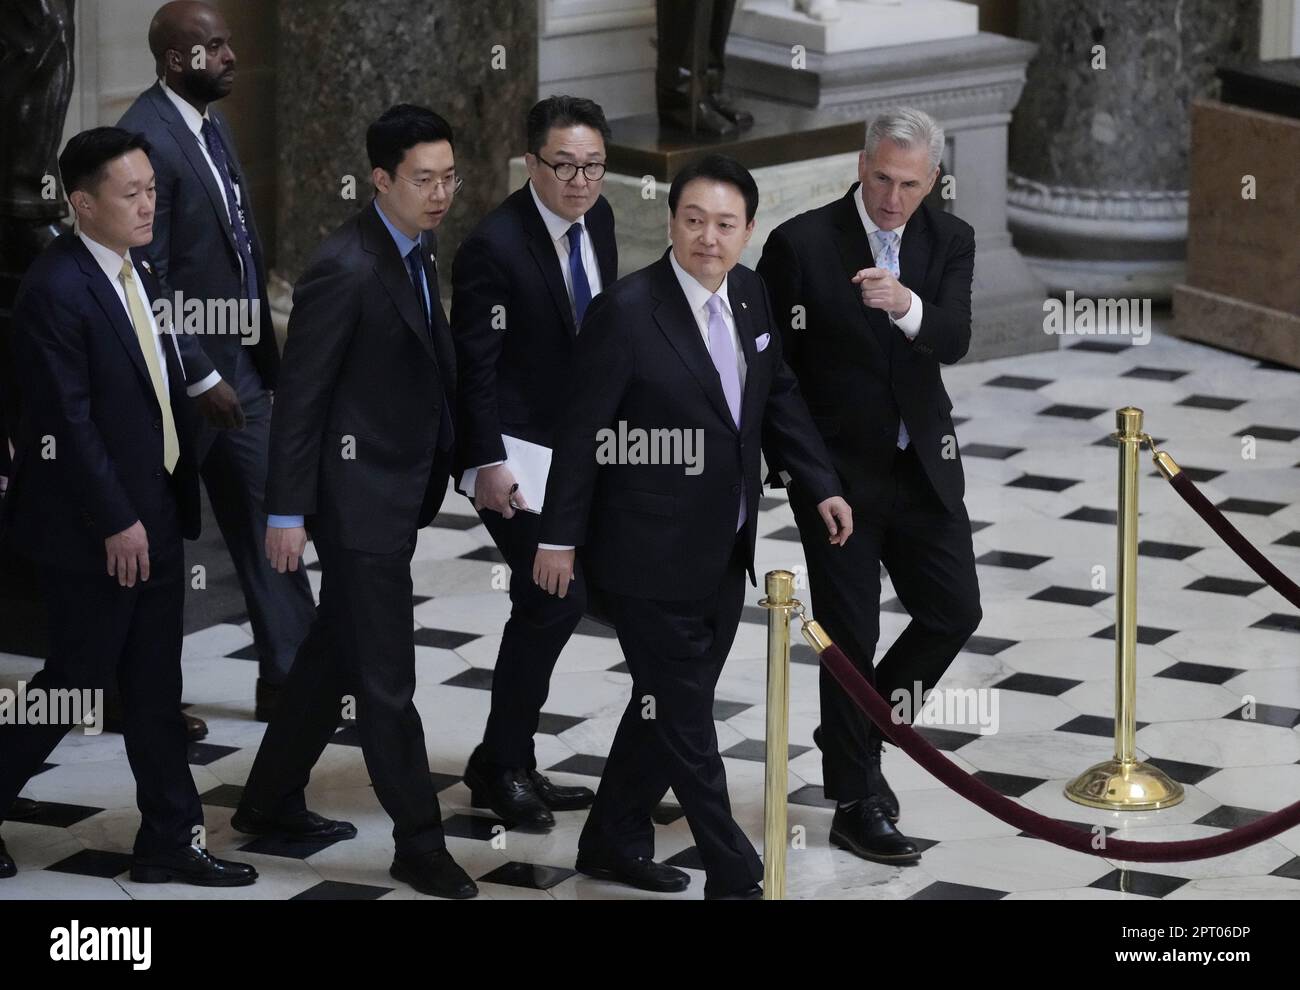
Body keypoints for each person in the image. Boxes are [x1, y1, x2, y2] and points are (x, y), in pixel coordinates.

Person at [534, 154, 853, 899]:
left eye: (725, 224)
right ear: (672, 221)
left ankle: (611, 838)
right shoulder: (625, 311)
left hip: (724, 549)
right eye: (693, 221)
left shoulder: (749, 295)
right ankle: (736, 874)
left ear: (747, 231)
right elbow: (580, 433)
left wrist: (821, 483)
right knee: (686, 720)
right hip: (644, 557)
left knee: (662, 707)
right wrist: (557, 538)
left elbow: (778, 400)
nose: (708, 237)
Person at [0, 127, 256, 886]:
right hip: (95, 528)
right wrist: (116, 519)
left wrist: (205, 381)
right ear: (82, 203)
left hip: (153, 509)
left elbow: (159, 343)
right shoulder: (55, 290)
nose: (150, 203)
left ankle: (171, 841)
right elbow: (64, 424)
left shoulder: (130, 265)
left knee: (154, 686)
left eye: (153, 188)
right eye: (132, 193)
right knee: (74, 683)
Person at [234, 104, 477, 900]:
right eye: (423, 180)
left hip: (400, 486)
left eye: (448, 177)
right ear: (381, 179)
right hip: (357, 501)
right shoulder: (344, 265)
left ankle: (267, 801)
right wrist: (284, 512)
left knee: (333, 653)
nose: (440, 193)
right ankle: (418, 840)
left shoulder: (416, 242)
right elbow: (300, 399)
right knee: (385, 682)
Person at [757, 107, 982, 865]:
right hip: (838, 482)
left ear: (932, 182)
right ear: (861, 165)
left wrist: (905, 305)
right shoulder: (801, 244)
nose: (892, 197)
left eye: (909, 184)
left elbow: (953, 335)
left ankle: (852, 732)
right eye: (881, 177)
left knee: (954, 611)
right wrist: (807, 476)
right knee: (850, 639)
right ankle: (857, 801)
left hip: (921, 468)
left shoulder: (949, 239)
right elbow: (775, 377)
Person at [118, 1, 314, 725]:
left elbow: (235, 245)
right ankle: (137, 698)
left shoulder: (211, 122)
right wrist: (200, 375)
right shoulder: (145, 134)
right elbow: (149, 272)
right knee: (158, 549)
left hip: (244, 368)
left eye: (229, 43)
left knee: (274, 517)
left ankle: (294, 682)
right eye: (214, 47)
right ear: (177, 59)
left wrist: (257, 360)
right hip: (180, 381)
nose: (230, 56)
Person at [450, 95, 618, 829]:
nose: (580, 181)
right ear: (532, 164)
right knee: (557, 597)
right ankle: (503, 765)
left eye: (593, 167)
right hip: (512, 451)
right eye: (565, 166)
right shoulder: (495, 245)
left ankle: (504, 760)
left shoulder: (601, 221)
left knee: (546, 601)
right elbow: (473, 369)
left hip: (579, 449)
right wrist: (487, 462)